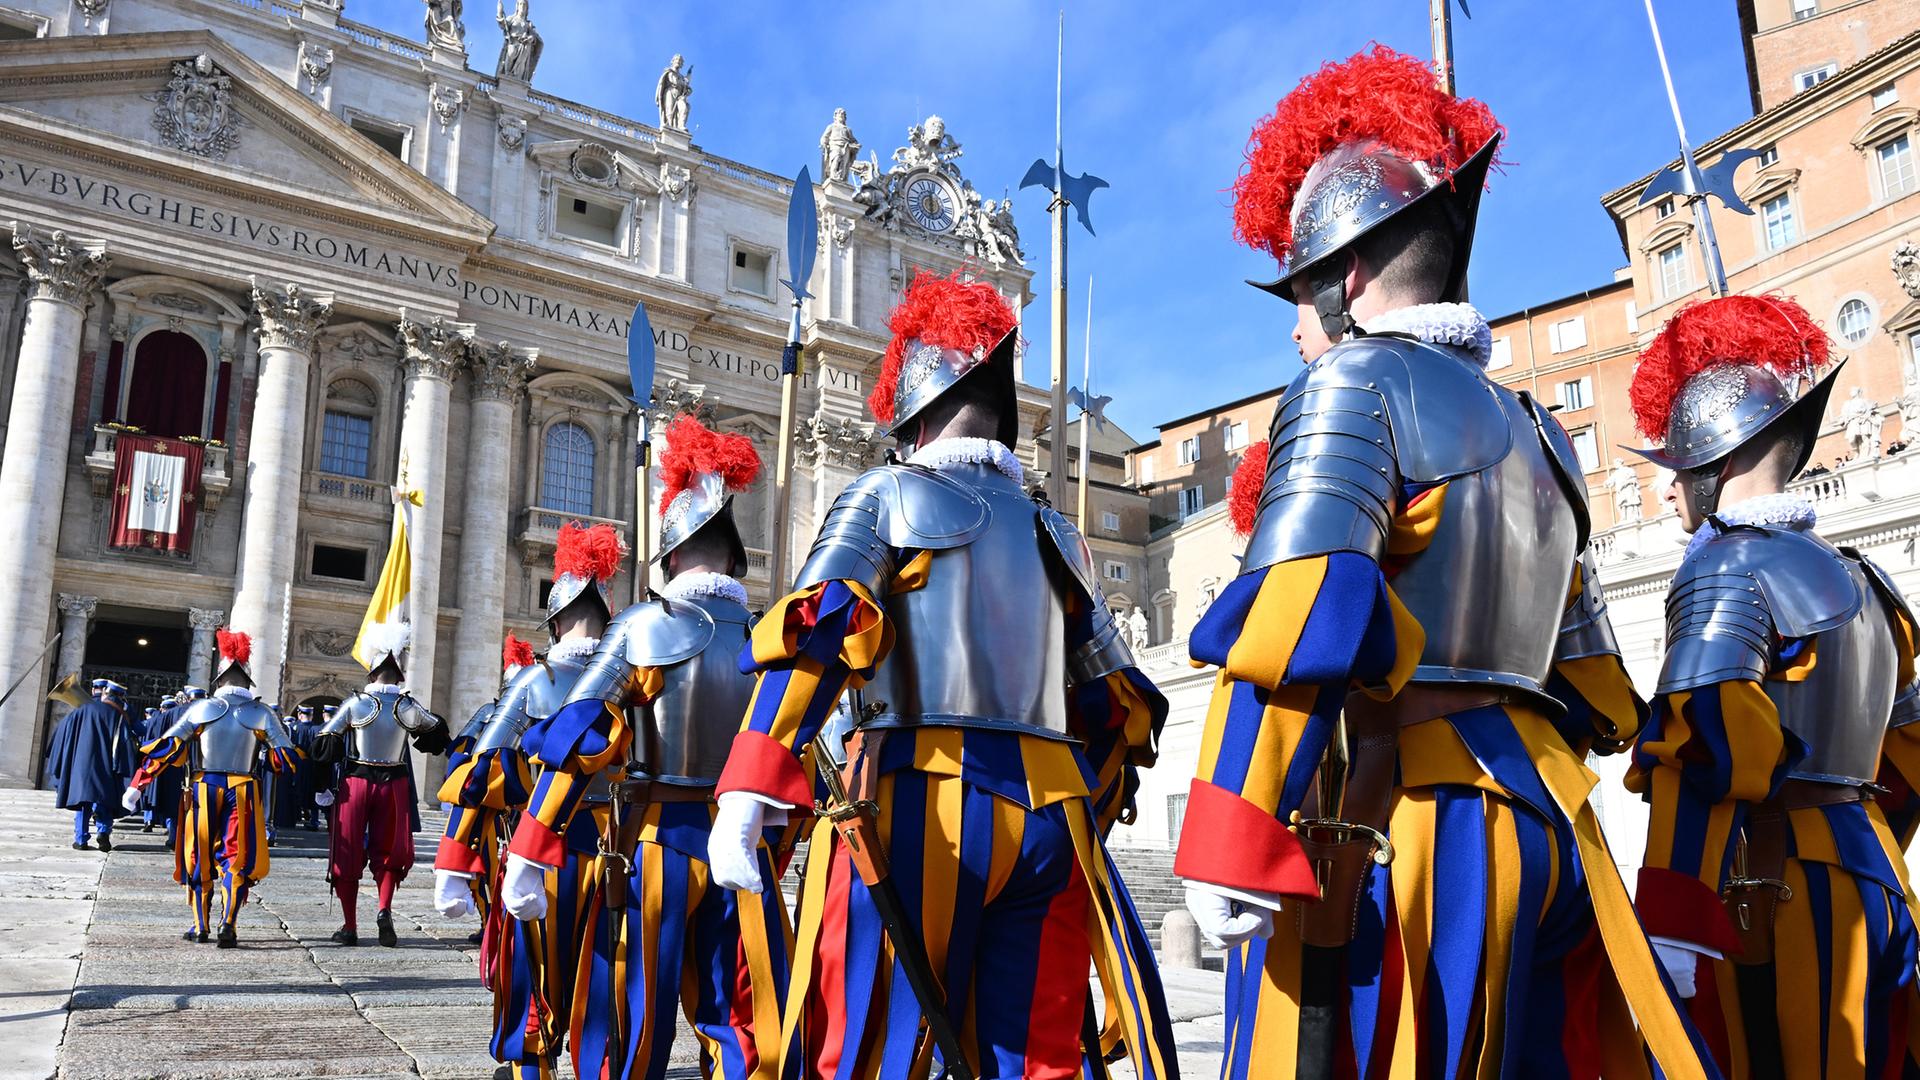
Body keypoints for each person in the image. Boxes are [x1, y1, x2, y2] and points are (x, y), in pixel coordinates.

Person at [1175, 46, 1714, 1078]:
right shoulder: (1542, 431)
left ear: (1348, 274)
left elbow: (1301, 611)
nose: (1296, 330)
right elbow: (1592, 675)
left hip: (1420, 820)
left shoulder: (1354, 381)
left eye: (1299, 293)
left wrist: (1236, 822)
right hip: (1552, 823)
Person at [703, 271, 1178, 1078]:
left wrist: (751, 782)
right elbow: (1116, 703)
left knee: (873, 1046)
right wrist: (1080, 807)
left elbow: (821, 633)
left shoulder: (884, 492)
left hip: (919, 798)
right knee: (1038, 1061)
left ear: (913, 412)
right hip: (1051, 815)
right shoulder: (1057, 531)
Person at [1622, 294, 1920, 1077]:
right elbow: (1912, 752)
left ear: (1718, 463)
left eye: (1678, 469)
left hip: (1774, 888)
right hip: (1875, 873)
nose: (1665, 490)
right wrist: (1867, 850)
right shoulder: (1870, 577)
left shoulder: (1727, 563)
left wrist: (1675, 912)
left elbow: (1702, 742)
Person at [500, 423, 789, 1080]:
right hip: (747, 844)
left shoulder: (640, 628)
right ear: (731, 553)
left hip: (657, 838)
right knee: (740, 1018)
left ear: (674, 553)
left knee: (636, 1015)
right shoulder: (769, 636)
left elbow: (579, 744)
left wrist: (531, 842)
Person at [439, 523, 623, 1079]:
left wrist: (453, 859)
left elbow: (480, 775)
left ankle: (532, 1066)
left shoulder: (534, 681)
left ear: (559, 621)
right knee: (605, 977)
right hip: (620, 850)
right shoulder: (631, 677)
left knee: (533, 971)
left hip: (537, 849)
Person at [123, 631, 299, 946]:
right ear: (247, 682)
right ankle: (228, 924)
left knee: (198, 854)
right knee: (236, 857)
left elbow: (167, 747)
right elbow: (284, 760)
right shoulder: (260, 713)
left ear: (218, 680)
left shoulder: (201, 709)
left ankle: (201, 926)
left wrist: (139, 783)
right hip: (243, 789)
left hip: (203, 787)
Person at [313, 622, 450, 946]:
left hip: (357, 782)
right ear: (399, 673)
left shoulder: (356, 703)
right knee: (390, 852)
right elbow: (437, 732)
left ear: (372, 671)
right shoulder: (407, 706)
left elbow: (323, 744)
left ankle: (349, 927)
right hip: (394, 784)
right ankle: (384, 909)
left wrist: (323, 787)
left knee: (346, 851)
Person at [46, 679, 135, 851]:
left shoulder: (78, 711)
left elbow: (62, 735)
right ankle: (103, 832)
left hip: (79, 765)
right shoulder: (116, 713)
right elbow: (125, 741)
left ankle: (81, 838)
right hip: (106, 764)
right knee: (105, 800)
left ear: (94, 690)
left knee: (82, 801)